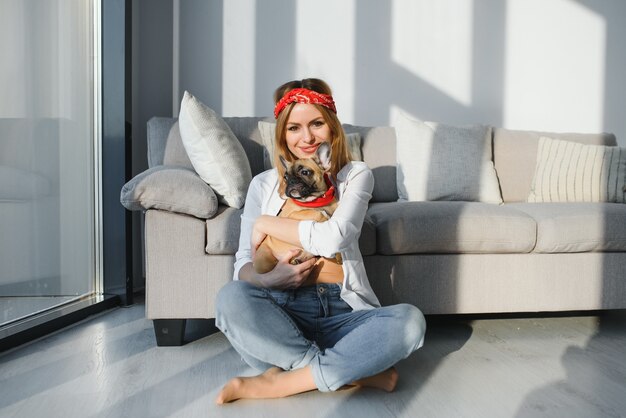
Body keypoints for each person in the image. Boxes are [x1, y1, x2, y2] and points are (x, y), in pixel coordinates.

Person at [215, 78, 426, 404]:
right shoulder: (264, 185)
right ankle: (348, 371)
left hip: (343, 311)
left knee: (410, 323)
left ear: (332, 127)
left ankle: (279, 382)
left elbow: (333, 238)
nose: (307, 137)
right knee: (230, 298)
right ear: (282, 133)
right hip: (282, 311)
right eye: (294, 128)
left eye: (316, 124)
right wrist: (268, 278)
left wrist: (265, 222)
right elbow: (243, 261)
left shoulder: (355, 174)